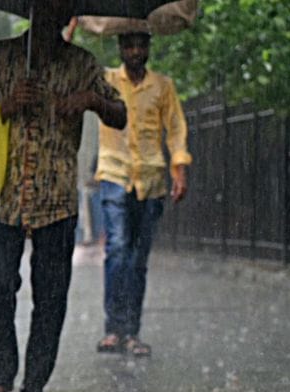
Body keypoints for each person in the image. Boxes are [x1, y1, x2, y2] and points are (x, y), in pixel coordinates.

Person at [0, 0, 126, 392]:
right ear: (31, 13)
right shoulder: (2, 56)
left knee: (51, 298)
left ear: (68, 18)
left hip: (56, 201)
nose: (50, 19)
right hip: (3, 200)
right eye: (43, 11)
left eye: (59, 12)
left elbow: (120, 115)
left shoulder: (83, 64)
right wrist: (7, 103)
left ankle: (34, 391)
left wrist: (90, 99)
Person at [94, 31, 191, 357]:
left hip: (150, 179)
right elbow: (72, 77)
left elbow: (176, 127)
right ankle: (113, 329)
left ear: (148, 48)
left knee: (137, 259)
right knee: (118, 249)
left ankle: (132, 332)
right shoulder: (105, 80)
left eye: (141, 45)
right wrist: (71, 28)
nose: (135, 51)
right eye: (129, 45)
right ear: (120, 48)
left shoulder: (162, 86)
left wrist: (179, 167)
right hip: (114, 173)